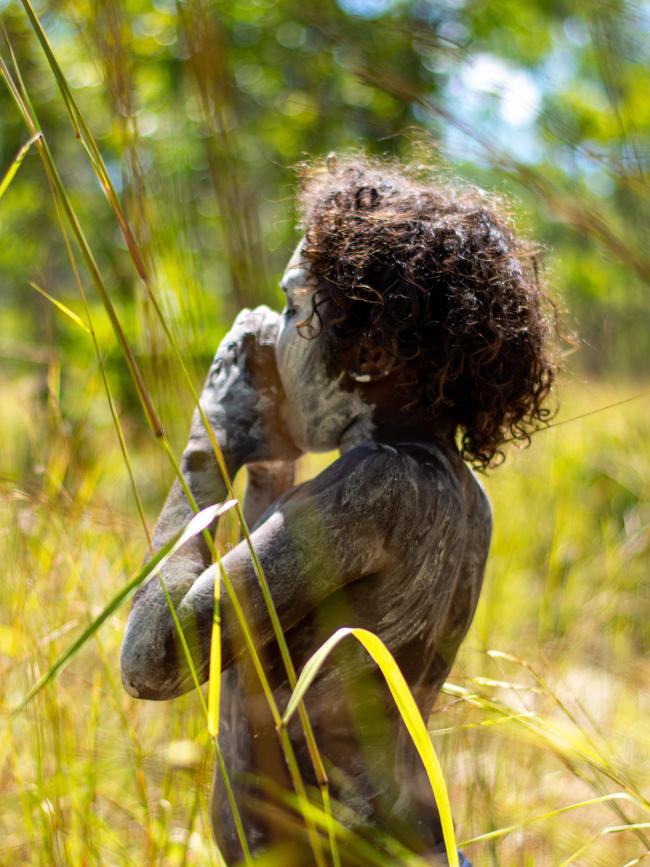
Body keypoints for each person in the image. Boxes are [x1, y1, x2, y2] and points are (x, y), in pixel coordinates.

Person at [120, 157, 557, 865]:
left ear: (369, 350)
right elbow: (266, 651)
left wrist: (210, 442)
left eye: (295, 309)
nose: (278, 330)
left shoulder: (376, 487)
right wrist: (269, 457)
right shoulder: (453, 491)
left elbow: (153, 657)